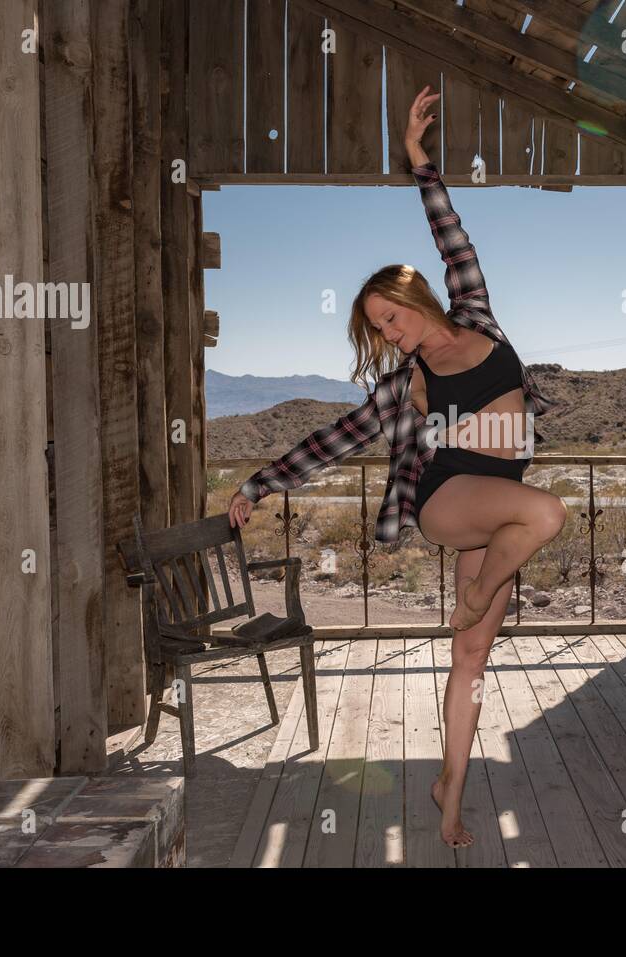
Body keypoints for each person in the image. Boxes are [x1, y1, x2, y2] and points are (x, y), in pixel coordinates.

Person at [227, 85, 565, 848]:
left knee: (472, 657)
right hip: (448, 499)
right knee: (547, 514)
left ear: (417, 296)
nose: (390, 331)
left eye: (392, 314)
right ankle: (477, 587)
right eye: (378, 328)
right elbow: (331, 441)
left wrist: (419, 160)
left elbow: (455, 237)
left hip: (497, 501)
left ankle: (450, 790)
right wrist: (257, 483)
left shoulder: (475, 311)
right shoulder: (403, 385)